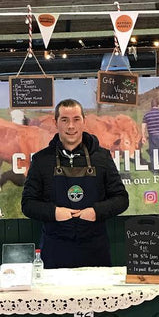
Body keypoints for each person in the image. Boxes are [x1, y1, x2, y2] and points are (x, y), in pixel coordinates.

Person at [21, 98, 129, 269]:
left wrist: (97, 211)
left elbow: (122, 199)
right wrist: (54, 212)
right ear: (55, 122)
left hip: (95, 250)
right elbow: (27, 204)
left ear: (84, 122)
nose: (71, 126)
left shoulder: (102, 157)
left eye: (76, 119)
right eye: (64, 120)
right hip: (55, 250)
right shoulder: (41, 160)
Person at [143, 94, 159, 170]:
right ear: (158, 104)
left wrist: (144, 136)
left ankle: (154, 169)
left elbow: (143, 126)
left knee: (153, 152)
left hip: (151, 136)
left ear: (151, 105)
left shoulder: (146, 114)